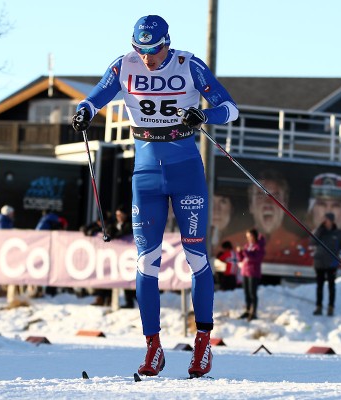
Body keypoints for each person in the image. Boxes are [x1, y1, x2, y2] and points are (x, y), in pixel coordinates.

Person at [71, 15, 238, 377]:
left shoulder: (189, 64)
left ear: (168, 42)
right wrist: (84, 111)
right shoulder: (123, 65)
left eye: (155, 50)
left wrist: (203, 116)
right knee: (146, 263)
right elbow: (95, 98)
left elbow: (231, 108)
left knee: (195, 257)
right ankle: (153, 347)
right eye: (141, 50)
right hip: (146, 175)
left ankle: (203, 345)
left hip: (187, 172)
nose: (148, 58)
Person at [223, 171, 299, 264]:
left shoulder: (297, 245)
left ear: (285, 204)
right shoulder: (233, 243)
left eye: (275, 196)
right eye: (260, 195)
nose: (268, 203)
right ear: (251, 204)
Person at [311, 212, 341, 316]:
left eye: (327, 219)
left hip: (331, 263)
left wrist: (339, 248)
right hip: (319, 263)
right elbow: (312, 241)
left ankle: (331, 307)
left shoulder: (338, 233)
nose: (325, 221)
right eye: (324, 219)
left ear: (332, 221)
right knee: (320, 286)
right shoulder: (319, 231)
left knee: (331, 287)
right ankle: (318, 306)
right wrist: (319, 229)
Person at [236, 229, 266, 321]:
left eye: (250, 236)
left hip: (253, 272)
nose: (249, 238)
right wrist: (239, 252)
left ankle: (254, 312)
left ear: (255, 237)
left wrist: (244, 251)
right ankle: (247, 310)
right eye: (247, 237)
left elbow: (256, 258)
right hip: (245, 271)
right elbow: (242, 258)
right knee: (246, 293)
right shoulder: (247, 246)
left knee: (253, 293)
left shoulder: (259, 247)